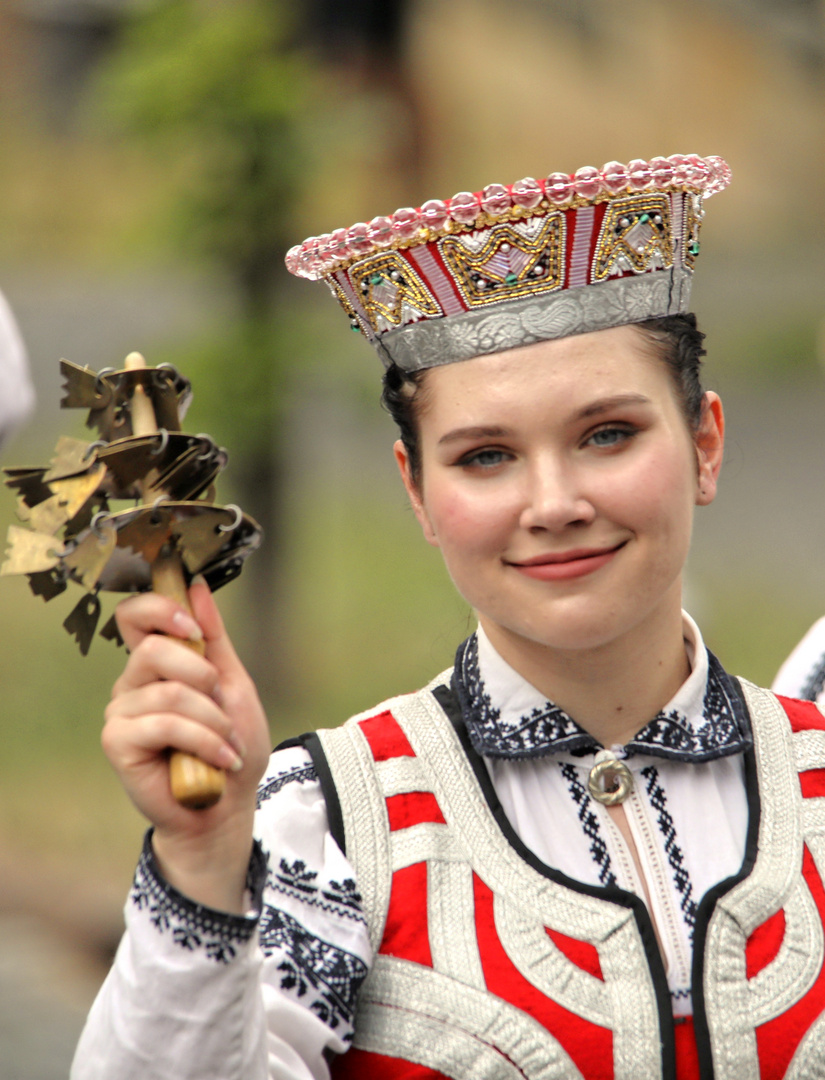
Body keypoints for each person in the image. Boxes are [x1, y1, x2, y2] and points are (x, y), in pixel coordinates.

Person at [71, 155, 825, 1080]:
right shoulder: (336, 822)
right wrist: (203, 860)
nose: (551, 503)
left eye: (606, 435)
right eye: (484, 457)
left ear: (704, 443)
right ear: (416, 490)